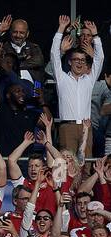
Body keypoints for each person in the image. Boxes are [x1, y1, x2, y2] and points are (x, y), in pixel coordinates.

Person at [50, 16, 103, 153]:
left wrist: (95, 35)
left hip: (86, 127)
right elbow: (54, 55)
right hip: (67, 127)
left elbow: (99, 59)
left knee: (86, 166)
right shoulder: (62, 78)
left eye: (82, 60)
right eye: (76, 60)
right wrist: (61, 29)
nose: (79, 63)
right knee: (68, 166)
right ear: (69, 62)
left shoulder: (89, 80)